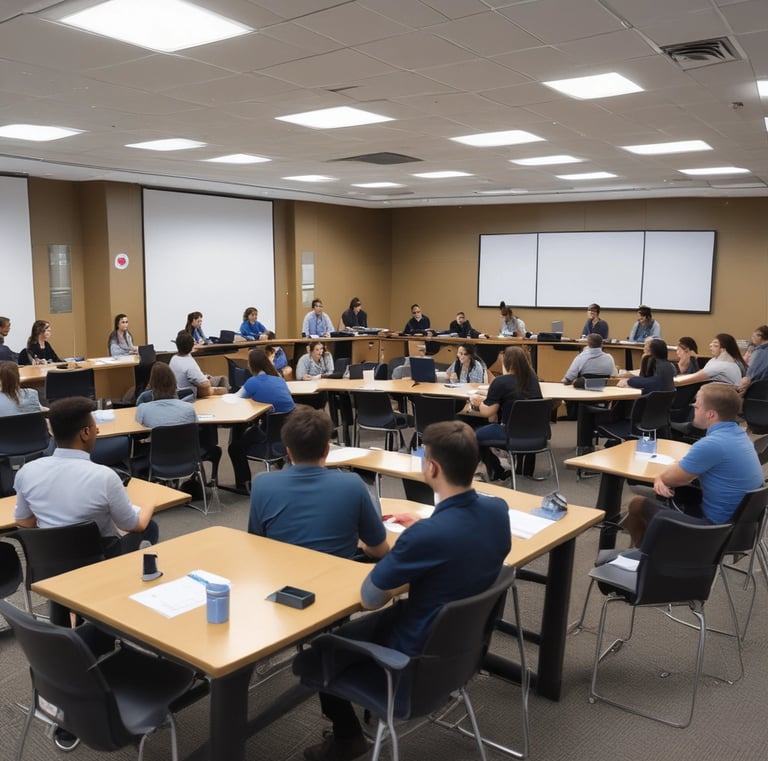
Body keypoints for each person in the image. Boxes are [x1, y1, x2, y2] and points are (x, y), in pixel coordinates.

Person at [298, 420, 510, 761]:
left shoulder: (424, 538)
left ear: (432, 467)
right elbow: (463, 545)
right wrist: (425, 531)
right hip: (462, 656)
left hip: (410, 668)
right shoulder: (498, 511)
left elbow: (370, 598)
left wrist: (402, 549)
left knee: (317, 649)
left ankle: (347, 739)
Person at [14, 396, 159, 555]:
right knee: (149, 526)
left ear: (52, 432)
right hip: (99, 559)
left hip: (50, 561)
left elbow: (24, 521)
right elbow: (133, 525)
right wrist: (149, 503)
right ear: (85, 432)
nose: (97, 431)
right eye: (95, 427)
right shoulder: (105, 477)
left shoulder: (26, 472)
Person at [622, 383, 763, 546]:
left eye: (697, 406)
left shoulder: (711, 445)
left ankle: (644, 561)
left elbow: (671, 478)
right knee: (669, 495)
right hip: (743, 527)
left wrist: (661, 476)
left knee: (636, 504)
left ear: (711, 414)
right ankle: (656, 552)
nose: (693, 408)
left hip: (716, 530)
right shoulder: (740, 436)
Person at [247, 406, 388, 561]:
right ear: (327, 450)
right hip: (339, 580)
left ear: (288, 452)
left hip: (282, 579)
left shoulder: (261, 484)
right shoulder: (353, 484)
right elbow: (380, 550)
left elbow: (257, 545)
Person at [468, 346, 542, 480]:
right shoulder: (532, 379)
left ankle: (495, 469)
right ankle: (523, 473)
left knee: (473, 435)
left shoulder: (500, 382)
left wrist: (477, 404)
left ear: (506, 363)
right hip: (537, 435)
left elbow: (487, 412)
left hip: (511, 434)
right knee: (523, 421)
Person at [229, 348, 296, 493]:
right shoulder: (279, 379)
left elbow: (235, 398)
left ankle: (244, 484)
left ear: (251, 365)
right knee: (255, 429)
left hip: (268, 440)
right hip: (288, 437)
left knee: (234, 447)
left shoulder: (253, 382)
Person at [169, 331, 227, 397]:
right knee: (223, 383)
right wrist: (205, 379)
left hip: (180, 390)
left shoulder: (174, 358)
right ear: (191, 346)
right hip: (194, 392)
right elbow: (206, 384)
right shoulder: (189, 364)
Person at [679, 333, 745, 386]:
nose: (710, 346)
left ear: (723, 349)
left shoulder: (722, 365)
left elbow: (692, 378)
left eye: (715, 345)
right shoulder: (717, 361)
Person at [739, 325, 768, 393]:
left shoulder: (760, 352)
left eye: (753, 336)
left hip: (756, 389)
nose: (752, 338)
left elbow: (752, 373)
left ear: (760, 336)